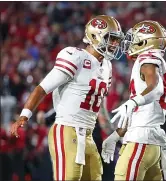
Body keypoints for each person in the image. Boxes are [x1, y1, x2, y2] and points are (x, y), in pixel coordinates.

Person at [10, 15, 124, 181]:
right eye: (111, 39)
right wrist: (24, 115)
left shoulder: (106, 66)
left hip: (89, 135)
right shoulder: (75, 56)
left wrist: (116, 136)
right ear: (95, 36)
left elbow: (101, 110)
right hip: (67, 130)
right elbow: (42, 88)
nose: (114, 44)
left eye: (116, 40)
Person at [101, 20, 166, 180]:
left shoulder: (147, 60)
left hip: (141, 141)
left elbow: (156, 88)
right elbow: (142, 113)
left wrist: (133, 102)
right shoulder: (151, 60)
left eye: (134, 39)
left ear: (145, 41)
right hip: (150, 141)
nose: (129, 43)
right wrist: (116, 135)